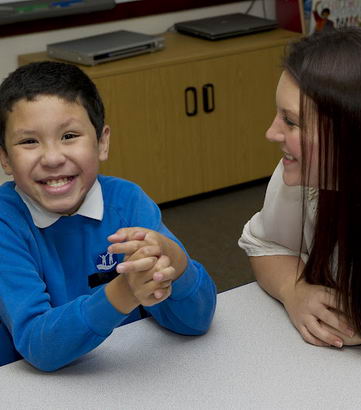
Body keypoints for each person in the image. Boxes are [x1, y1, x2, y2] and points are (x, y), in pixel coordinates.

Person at [0, 61, 217, 371]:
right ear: (5, 158)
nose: (52, 158)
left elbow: (196, 321)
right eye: (29, 141)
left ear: (102, 142)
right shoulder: (6, 221)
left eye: (70, 135)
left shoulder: (127, 202)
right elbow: (39, 345)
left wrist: (176, 262)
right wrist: (122, 293)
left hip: (123, 376)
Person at [239, 27, 361, 349]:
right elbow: (267, 245)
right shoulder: (305, 172)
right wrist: (293, 289)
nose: (271, 133)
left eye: (291, 122)